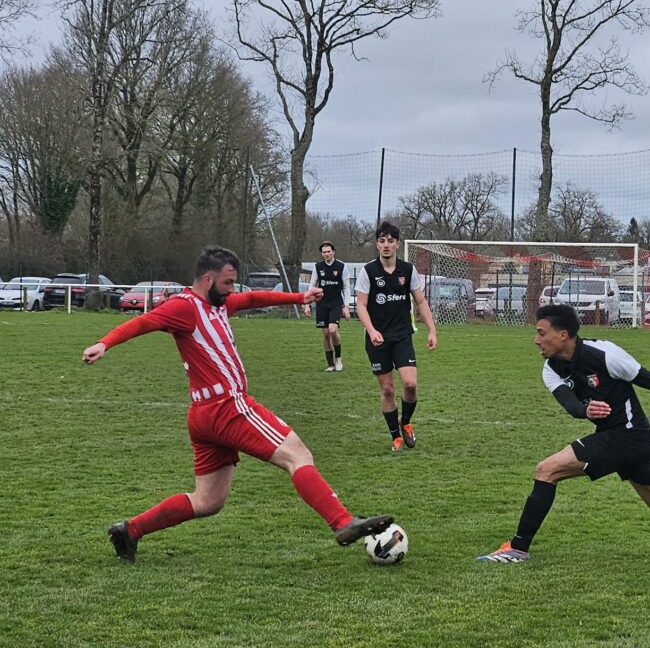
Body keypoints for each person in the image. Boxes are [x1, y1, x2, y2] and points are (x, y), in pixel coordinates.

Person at [82, 246, 393, 562]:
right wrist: (105, 343)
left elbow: (256, 298)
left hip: (203, 416)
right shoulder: (183, 308)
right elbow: (143, 323)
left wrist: (299, 298)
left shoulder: (219, 304)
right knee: (298, 456)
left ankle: (129, 531)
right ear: (207, 279)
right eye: (228, 283)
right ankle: (342, 522)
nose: (232, 290)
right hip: (227, 407)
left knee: (208, 501)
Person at [476, 304, 650, 563]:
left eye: (541, 332)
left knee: (547, 470)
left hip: (628, 436)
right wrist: (585, 409)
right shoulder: (551, 368)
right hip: (626, 439)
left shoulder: (607, 354)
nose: (536, 340)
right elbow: (570, 404)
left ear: (563, 335)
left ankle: (518, 548)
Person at [355, 221, 437, 451]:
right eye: (382, 241)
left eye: (390, 241)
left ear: (398, 244)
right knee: (388, 389)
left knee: (410, 384)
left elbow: (420, 301)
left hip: (402, 335)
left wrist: (432, 330)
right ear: (377, 245)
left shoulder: (408, 270)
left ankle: (406, 422)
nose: (386, 245)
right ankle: (395, 437)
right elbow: (361, 306)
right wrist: (371, 331)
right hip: (377, 339)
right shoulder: (368, 271)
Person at [304, 240, 350, 372]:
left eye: (329, 251)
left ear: (333, 252)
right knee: (325, 334)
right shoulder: (318, 267)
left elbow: (346, 288)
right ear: (321, 254)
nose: (326, 254)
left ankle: (339, 359)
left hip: (336, 303)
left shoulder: (341, 266)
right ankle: (330, 364)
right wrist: (307, 304)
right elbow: (312, 286)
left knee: (332, 330)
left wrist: (345, 306)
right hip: (322, 303)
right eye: (324, 252)